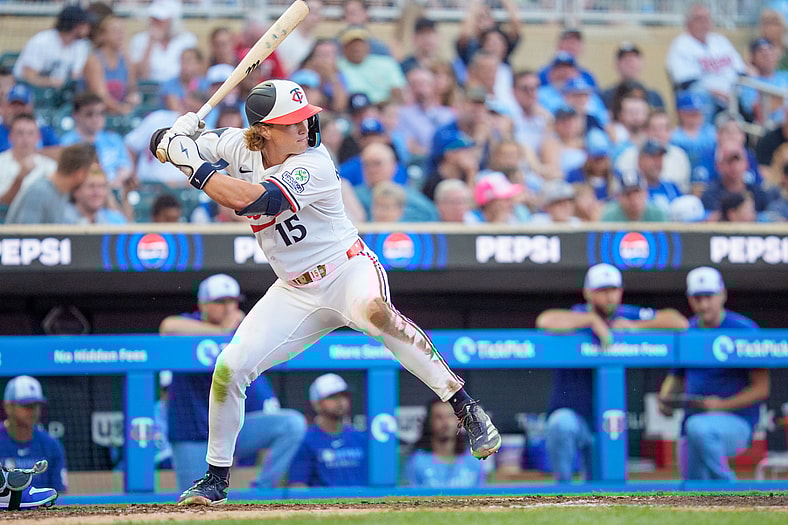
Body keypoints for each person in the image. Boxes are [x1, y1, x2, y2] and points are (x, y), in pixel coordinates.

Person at [152, 78, 501, 504]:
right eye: (292, 122)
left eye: (305, 118)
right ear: (262, 132)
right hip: (294, 289)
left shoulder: (314, 163)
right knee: (230, 367)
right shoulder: (236, 146)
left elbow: (252, 201)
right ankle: (215, 479)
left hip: (347, 270)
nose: (305, 126)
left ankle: (465, 405)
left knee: (376, 313)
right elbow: (182, 144)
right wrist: (173, 138)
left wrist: (189, 163)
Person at [536, 264, 688, 482]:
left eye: (613, 290)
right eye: (602, 291)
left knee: (604, 486)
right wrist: (591, 321)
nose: (609, 296)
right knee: (560, 423)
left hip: (608, 419)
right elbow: (545, 320)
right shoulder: (579, 313)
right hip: (574, 416)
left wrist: (636, 326)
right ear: (588, 292)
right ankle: (563, 486)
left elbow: (678, 322)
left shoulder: (626, 314)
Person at [158, 273, 307, 493]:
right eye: (220, 302)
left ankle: (262, 490)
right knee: (195, 502)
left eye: (232, 301)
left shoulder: (244, 329)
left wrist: (239, 329)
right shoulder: (190, 324)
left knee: (291, 424)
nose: (228, 308)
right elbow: (167, 327)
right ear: (203, 305)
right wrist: (221, 332)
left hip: (231, 429)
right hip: (191, 432)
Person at [658, 267, 769, 480]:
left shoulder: (744, 329)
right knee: (692, 490)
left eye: (709, 296)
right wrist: (665, 399)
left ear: (722, 295)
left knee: (699, 427)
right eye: (698, 298)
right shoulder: (688, 331)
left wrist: (720, 405)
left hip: (736, 422)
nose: (704, 304)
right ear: (690, 299)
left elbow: (762, 388)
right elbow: (676, 376)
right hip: (692, 424)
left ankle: (728, 484)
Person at [665, 4, 746, 121]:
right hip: (706, 98)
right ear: (688, 23)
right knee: (700, 96)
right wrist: (720, 94)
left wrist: (733, 93)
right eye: (699, 19)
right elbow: (687, 82)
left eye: (707, 18)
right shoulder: (681, 45)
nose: (704, 22)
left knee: (752, 90)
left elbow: (741, 71)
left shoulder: (720, 41)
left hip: (732, 94)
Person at [287, 374, 367, 487]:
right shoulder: (305, 441)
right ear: (317, 404)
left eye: (344, 396)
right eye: (332, 397)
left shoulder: (360, 438)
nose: (341, 401)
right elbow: (298, 485)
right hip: (324, 503)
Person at [0, 376, 67, 494]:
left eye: (36, 405)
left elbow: (59, 493)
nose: (34, 411)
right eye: (27, 406)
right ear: (8, 406)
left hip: (42, 510)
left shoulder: (51, 445)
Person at [5, 144, 96, 224]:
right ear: (80, 174)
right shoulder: (39, 192)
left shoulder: (63, 191)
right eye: (89, 173)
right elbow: (26, 235)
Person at [404, 399, 486, 488]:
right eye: (439, 417)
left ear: (459, 421)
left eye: (450, 416)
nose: (445, 423)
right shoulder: (417, 462)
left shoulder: (473, 461)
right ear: (429, 422)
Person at [12, 5, 94, 89]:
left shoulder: (81, 45)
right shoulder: (42, 41)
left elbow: (75, 76)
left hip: (59, 95)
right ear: (76, 26)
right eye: (86, 24)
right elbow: (28, 76)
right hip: (30, 91)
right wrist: (52, 82)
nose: (89, 28)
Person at [129, 0, 198, 84]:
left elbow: (193, 74)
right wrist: (151, 42)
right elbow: (142, 75)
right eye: (153, 18)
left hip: (178, 90)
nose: (155, 22)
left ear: (172, 21)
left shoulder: (187, 40)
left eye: (160, 19)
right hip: (150, 89)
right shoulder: (139, 39)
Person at [0, 114, 57, 206]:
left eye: (30, 133)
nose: (25, 139)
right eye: (20, 133)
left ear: (38, 138)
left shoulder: (51, 166)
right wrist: (19, 178)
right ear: (10, 137)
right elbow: (2, 203)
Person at [600, 170, 668, 222]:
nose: (633, 198)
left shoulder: (657, 214)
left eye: (637, 192)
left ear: (645, 193)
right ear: (619, 197)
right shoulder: (610, 217)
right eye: (627, 194)